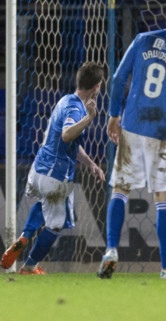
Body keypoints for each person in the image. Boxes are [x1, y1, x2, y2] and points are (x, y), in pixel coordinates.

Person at [97, 0, 166, 280]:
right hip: (162, 130)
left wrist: (114, 115)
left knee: (120, 189)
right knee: (162, 197)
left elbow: (119, 78)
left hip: (131, 124)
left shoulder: (143, 38)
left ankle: (110, 251)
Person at [1, 62, 106, 274]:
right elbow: (67, 134)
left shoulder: (64, 100)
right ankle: (30, 266)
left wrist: (91, 164)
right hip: (56, 175)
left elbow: (69, 142)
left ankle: (24, 236)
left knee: (45, 204)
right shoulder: (77, 109)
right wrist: (89, 118)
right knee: (56, 225)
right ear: (96, 86)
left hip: (38, 170)